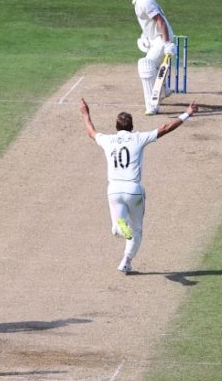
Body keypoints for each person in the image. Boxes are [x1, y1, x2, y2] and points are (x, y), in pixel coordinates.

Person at [80, 97, 197, 274]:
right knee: (137, 230)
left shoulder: (108, 140)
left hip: (113, 190)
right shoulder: (138, 138)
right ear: (132, 126)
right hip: (133, 190)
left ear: (116, 127)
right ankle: (126, 260)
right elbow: (165, 128)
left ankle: (119, 228)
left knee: (118, 227)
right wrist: (187, 113)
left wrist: (85, 113)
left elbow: (91, 132)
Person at [119, 0, 177, 115]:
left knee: (145, 65)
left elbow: (160, 21)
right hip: (156, 38)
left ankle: (152, 106)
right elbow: (151, 22)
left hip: (162, 39)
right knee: (153, 66)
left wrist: (167, 43)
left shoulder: (144, 1)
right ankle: (163, 91)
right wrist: (146, 37)